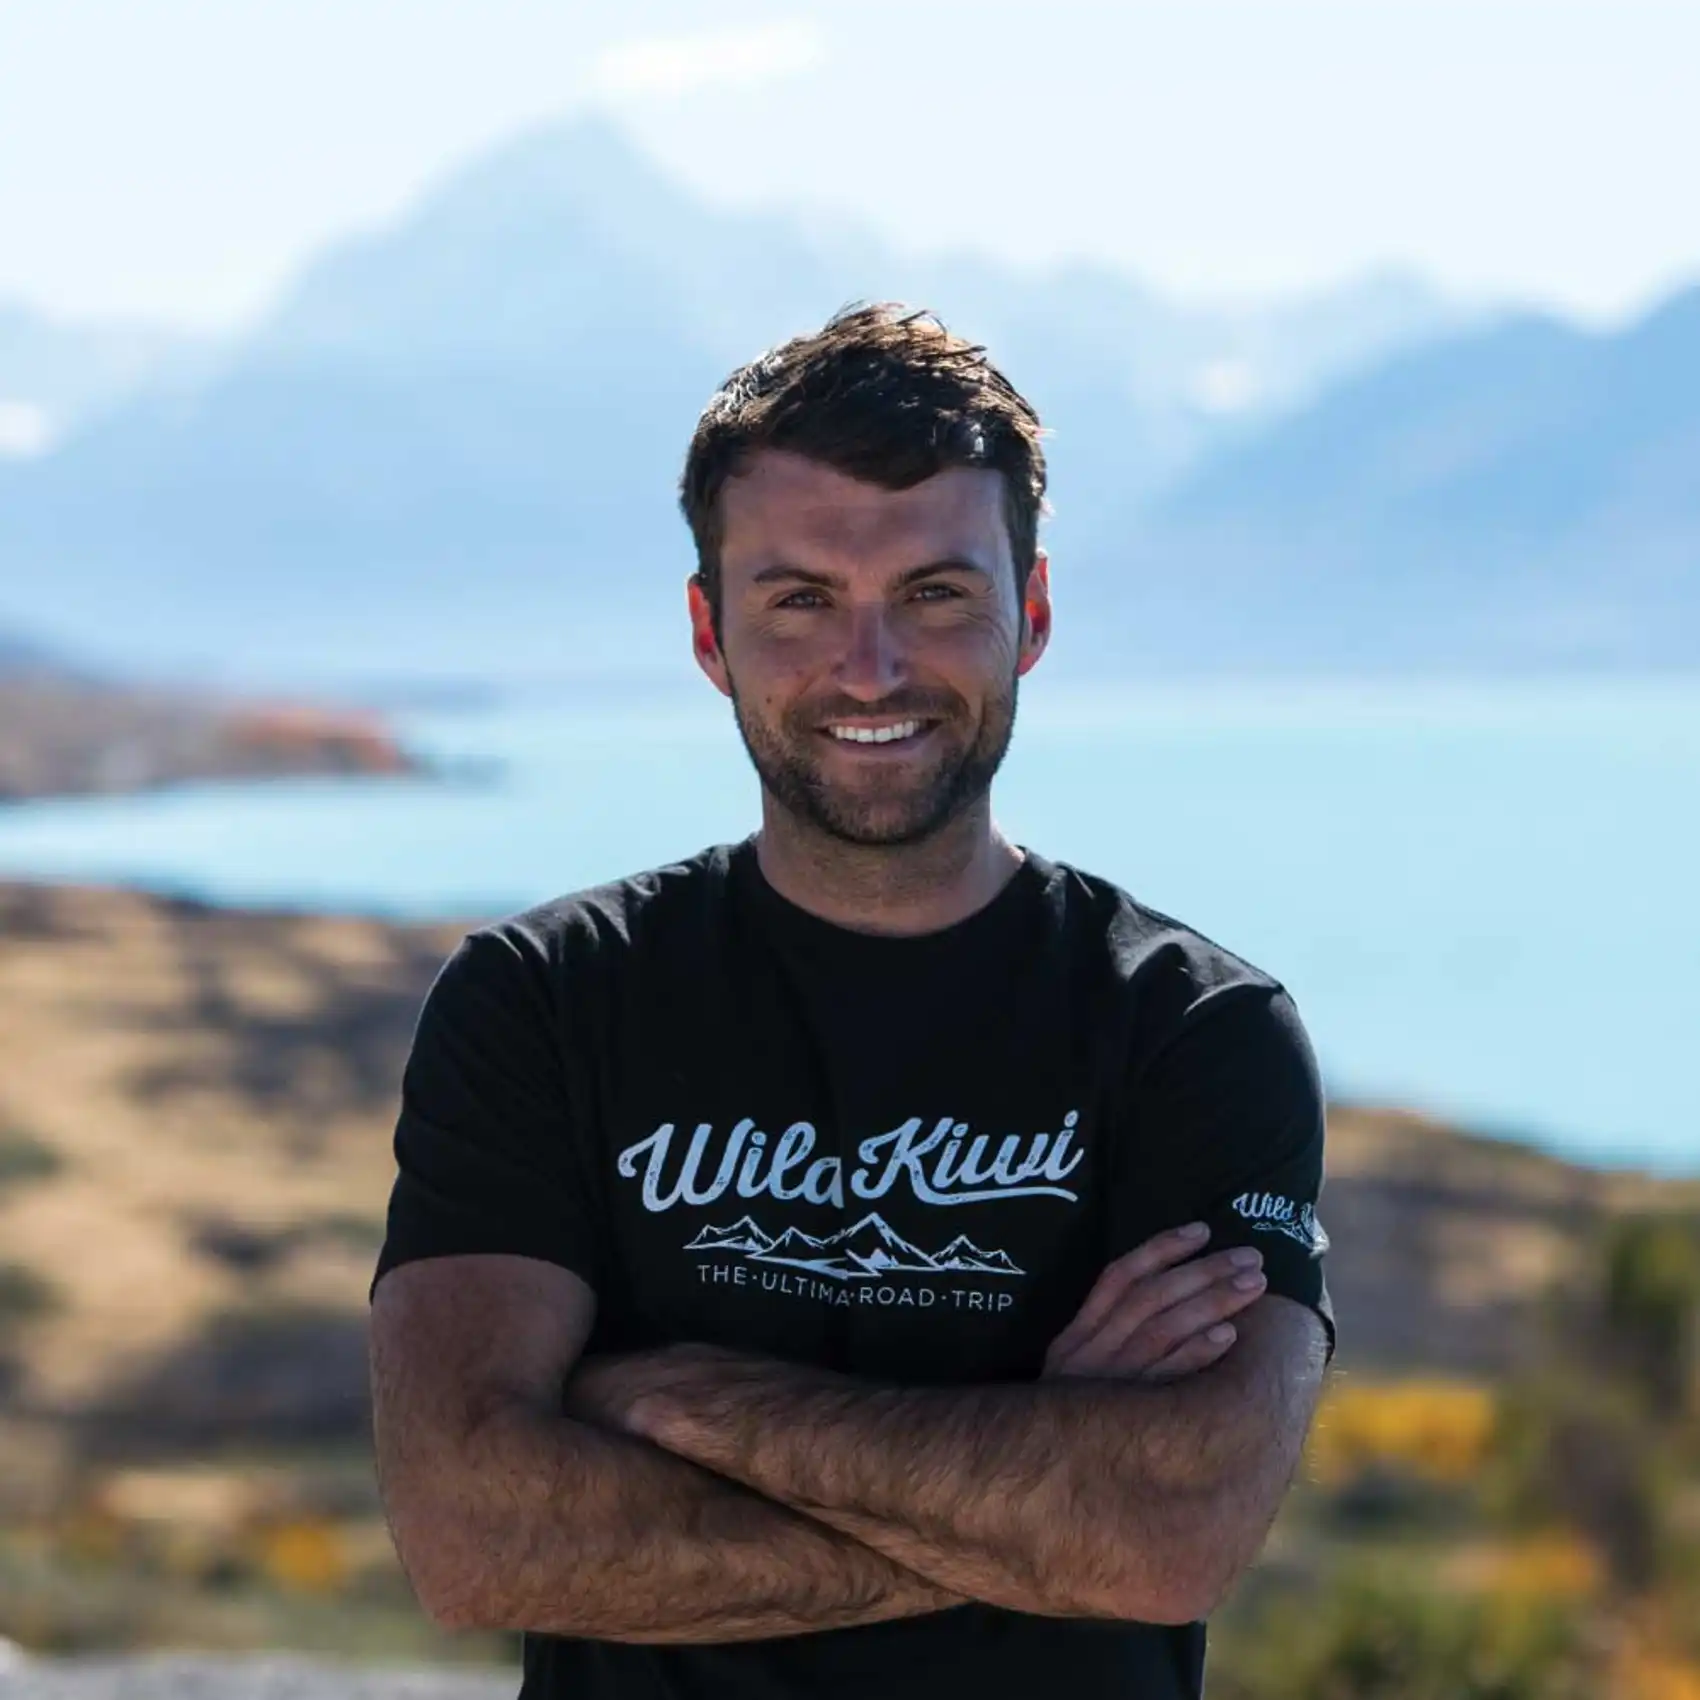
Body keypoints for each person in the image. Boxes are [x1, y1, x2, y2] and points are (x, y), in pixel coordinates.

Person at [368, 302, 1335, 1700]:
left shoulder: (1197, 1031)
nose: (870, 669)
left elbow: (1174, 1535)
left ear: (1034, 612)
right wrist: (1042, 1489)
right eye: (800, 599)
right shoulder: (542, 1005)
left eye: (936, 593)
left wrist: (677, 1400)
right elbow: (473, 1535)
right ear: (711, 632)